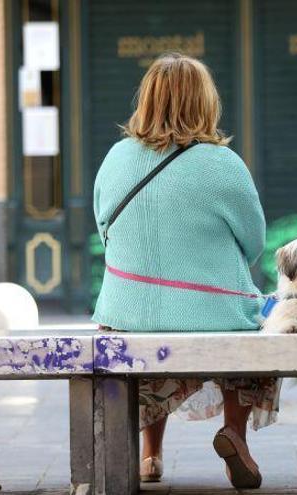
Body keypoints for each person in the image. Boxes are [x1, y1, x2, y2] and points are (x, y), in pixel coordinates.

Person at [93, 52, 277, 489]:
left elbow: (104, 231)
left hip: (126, 314)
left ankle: (151, 454)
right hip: (214, 317)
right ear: (206, 103)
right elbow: (255, 243)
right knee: (252, 332)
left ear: (147, 100)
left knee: (149, 349)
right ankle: (235, 433)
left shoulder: (116, 157)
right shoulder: (223, 164)